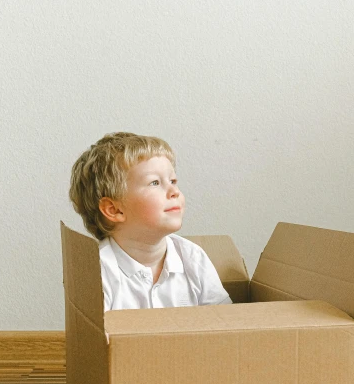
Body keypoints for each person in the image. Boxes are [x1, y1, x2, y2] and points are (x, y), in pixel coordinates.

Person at [69, 132, 232, 311]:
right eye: (154, 183)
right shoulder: (98, 272)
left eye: (173, 180)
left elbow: (225, 322)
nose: (174, 191)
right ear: (114, 210)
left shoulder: (193, 258)